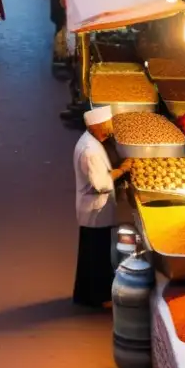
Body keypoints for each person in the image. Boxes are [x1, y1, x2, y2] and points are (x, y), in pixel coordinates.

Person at [73, 107, 133, 308]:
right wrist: (122, 170)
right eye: (107, 126)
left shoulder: (91, 141)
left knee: (91, 253)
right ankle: (98, 297)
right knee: (96, 255)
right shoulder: (90, 151)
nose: (110, 129)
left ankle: (86, 295)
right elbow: (101, 184)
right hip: (94, 210)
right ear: (96, 126)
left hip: (92, 209)